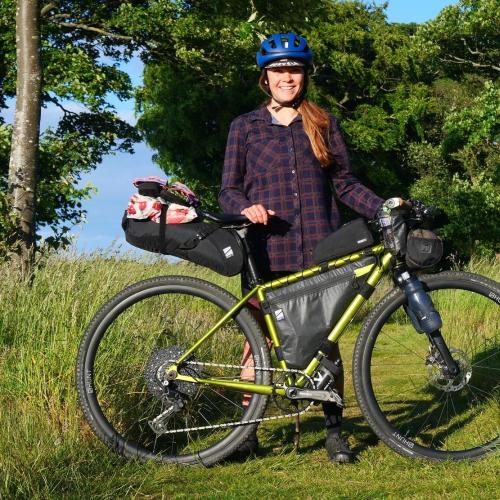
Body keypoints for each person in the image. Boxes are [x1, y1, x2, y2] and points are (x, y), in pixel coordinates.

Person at [218, 32, 384, 463]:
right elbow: (227, 191)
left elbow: (345, 185)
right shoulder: (244, 127)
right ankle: (246, 434)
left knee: (324, 341)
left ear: (304, 75)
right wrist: (245, 208)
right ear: (265, 77)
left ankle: (334, 432)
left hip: (319, 251)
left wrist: (386, 207)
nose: (287, 77)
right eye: (279, 70)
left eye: (294, 69)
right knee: (257, 343)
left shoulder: (324, 123)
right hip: (265, 251)